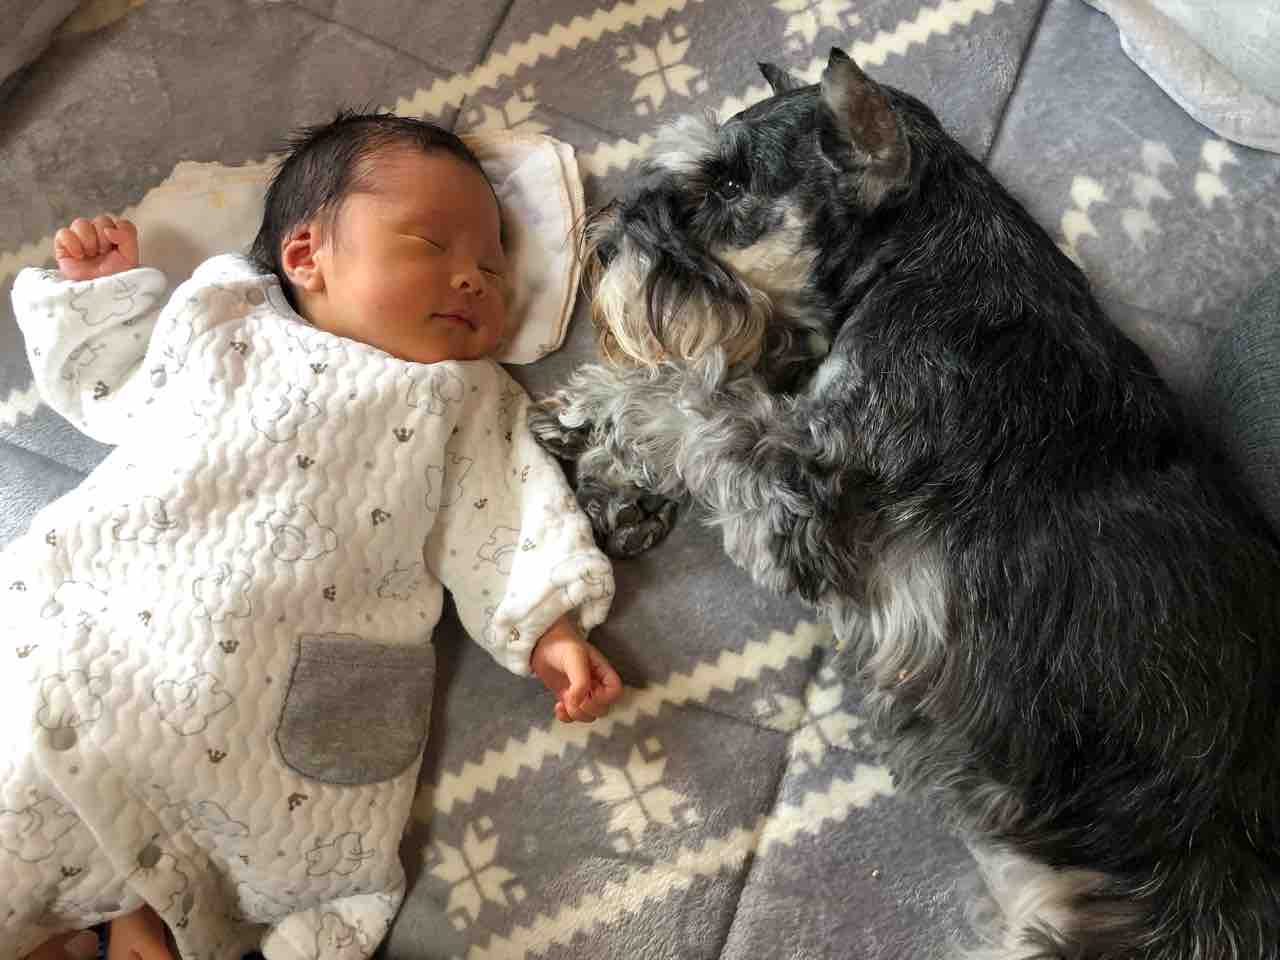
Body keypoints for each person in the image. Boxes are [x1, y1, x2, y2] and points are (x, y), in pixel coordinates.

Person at [6, 112, 622, 960]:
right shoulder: (227, 316)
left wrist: (549, 628)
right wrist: (106, 295)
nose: (473, 279)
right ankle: (108, 912)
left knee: (239, 829)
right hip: (113, 629)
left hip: (268, 702)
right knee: (31, 768)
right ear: (305, 256)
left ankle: (136, 909)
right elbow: (115, 389)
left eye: (491, 266)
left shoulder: (465, 396)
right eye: (431, 245)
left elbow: (508, 513)